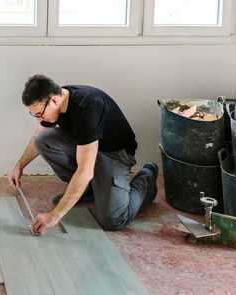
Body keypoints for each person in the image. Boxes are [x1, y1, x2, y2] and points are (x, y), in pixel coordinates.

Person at [8, 75, 158, 235]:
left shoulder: (88, 107)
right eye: (35, 115)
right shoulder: (58, 97)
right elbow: (38, 137)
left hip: (115, 154)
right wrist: (19, 166)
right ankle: (90, 189)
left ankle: (147, 177)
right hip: (87, 147)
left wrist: (54, 215)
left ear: (53, 101)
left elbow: (85, 171)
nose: (39, 120)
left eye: (40, 114)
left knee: (114, 220)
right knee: (43, 140)